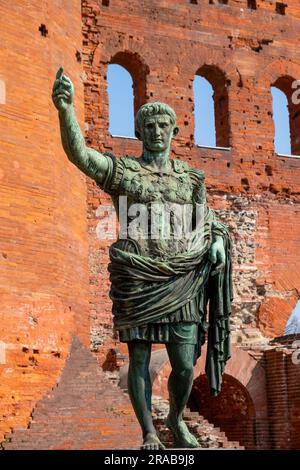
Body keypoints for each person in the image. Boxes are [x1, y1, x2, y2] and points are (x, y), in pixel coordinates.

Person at [52, 67, 233, 450]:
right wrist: (66, 109)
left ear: (174, 132)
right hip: (138, 279)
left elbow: (207, 218)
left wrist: (216, 239)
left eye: (162, 125)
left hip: (183, 281)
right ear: (139, 132)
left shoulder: (190, 179)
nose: (155, 131)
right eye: (148, 126)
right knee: (139, 361)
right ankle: (149, 432)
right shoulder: (125, 172)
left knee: (184, 363)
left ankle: (174, 419)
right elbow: (81, 156)